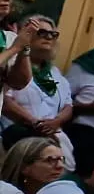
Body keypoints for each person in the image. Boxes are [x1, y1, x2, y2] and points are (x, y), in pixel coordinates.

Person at [3, 15, 74, 166]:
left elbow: (68, 105)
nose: (48, 37)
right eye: (42, 32)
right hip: (18, 135)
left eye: (53, 34)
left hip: (53, 137)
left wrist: (56, 122)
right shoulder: (12, 64)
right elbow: (5, 101)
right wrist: (35, 123)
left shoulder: (55, 73)